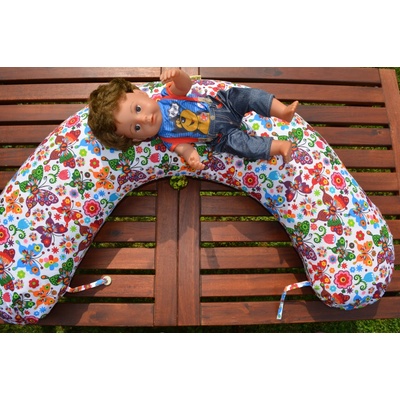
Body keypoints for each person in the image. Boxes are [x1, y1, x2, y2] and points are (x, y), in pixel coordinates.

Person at [88, 69, 298, 170]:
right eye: (136, 127)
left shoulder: (167, 96)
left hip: (223, 104)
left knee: (247, 96)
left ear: (139, 93)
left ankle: (282, 112)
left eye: (138, 108)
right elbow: (185, 148)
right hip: (222, 136)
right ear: (137, 139)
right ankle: (280, 146)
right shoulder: (168, 139)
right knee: (245, 147)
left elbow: (185, 86)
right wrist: (192, 159)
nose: (144, 118)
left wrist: (177, 75)